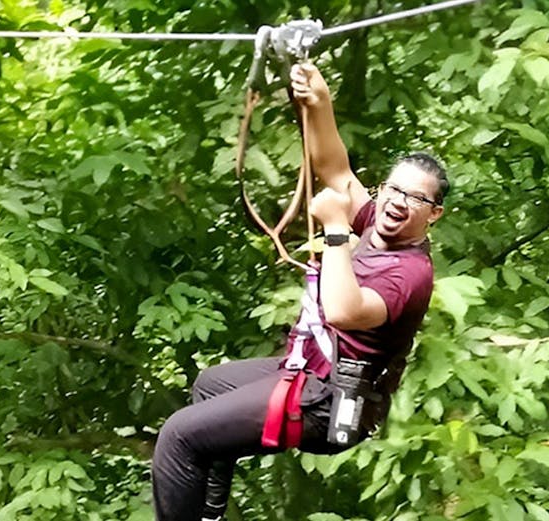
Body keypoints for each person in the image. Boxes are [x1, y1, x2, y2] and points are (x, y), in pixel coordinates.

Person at [150, 63, 449, 521]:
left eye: (416, 199)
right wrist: (319, 101)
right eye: (393, 189)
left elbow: (344, 310)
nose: (397, 202)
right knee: (210, 385)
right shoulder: (376, 224)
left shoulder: (409, 273)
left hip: (331, 403)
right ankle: (209, 512)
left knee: (177, 438)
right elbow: (336, 169)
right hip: (309, 373)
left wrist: (334, 230)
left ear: (433, 215)